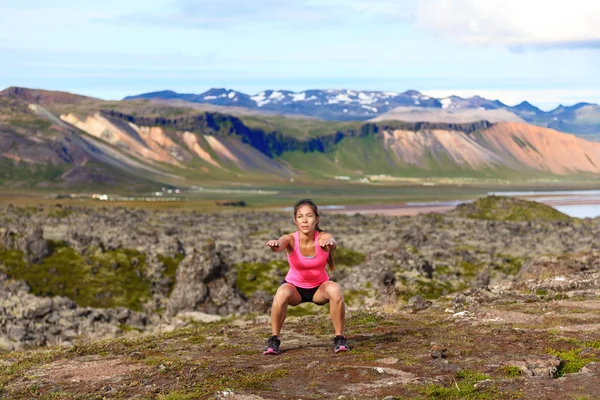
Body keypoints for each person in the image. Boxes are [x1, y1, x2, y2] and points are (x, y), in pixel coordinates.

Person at [263, 198, 349, 355]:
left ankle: (339, 338)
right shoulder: (290, 238)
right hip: (295, 290)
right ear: (295, 220)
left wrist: (330, 243)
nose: (305, 220)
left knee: (335, 289)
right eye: (300, 216)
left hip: (319, 289)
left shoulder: (322, 237)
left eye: (309, 216)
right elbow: (280, 244)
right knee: (281, 292)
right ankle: (274, 340)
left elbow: (330, 241)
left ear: (316, 219)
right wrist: (275, 245)